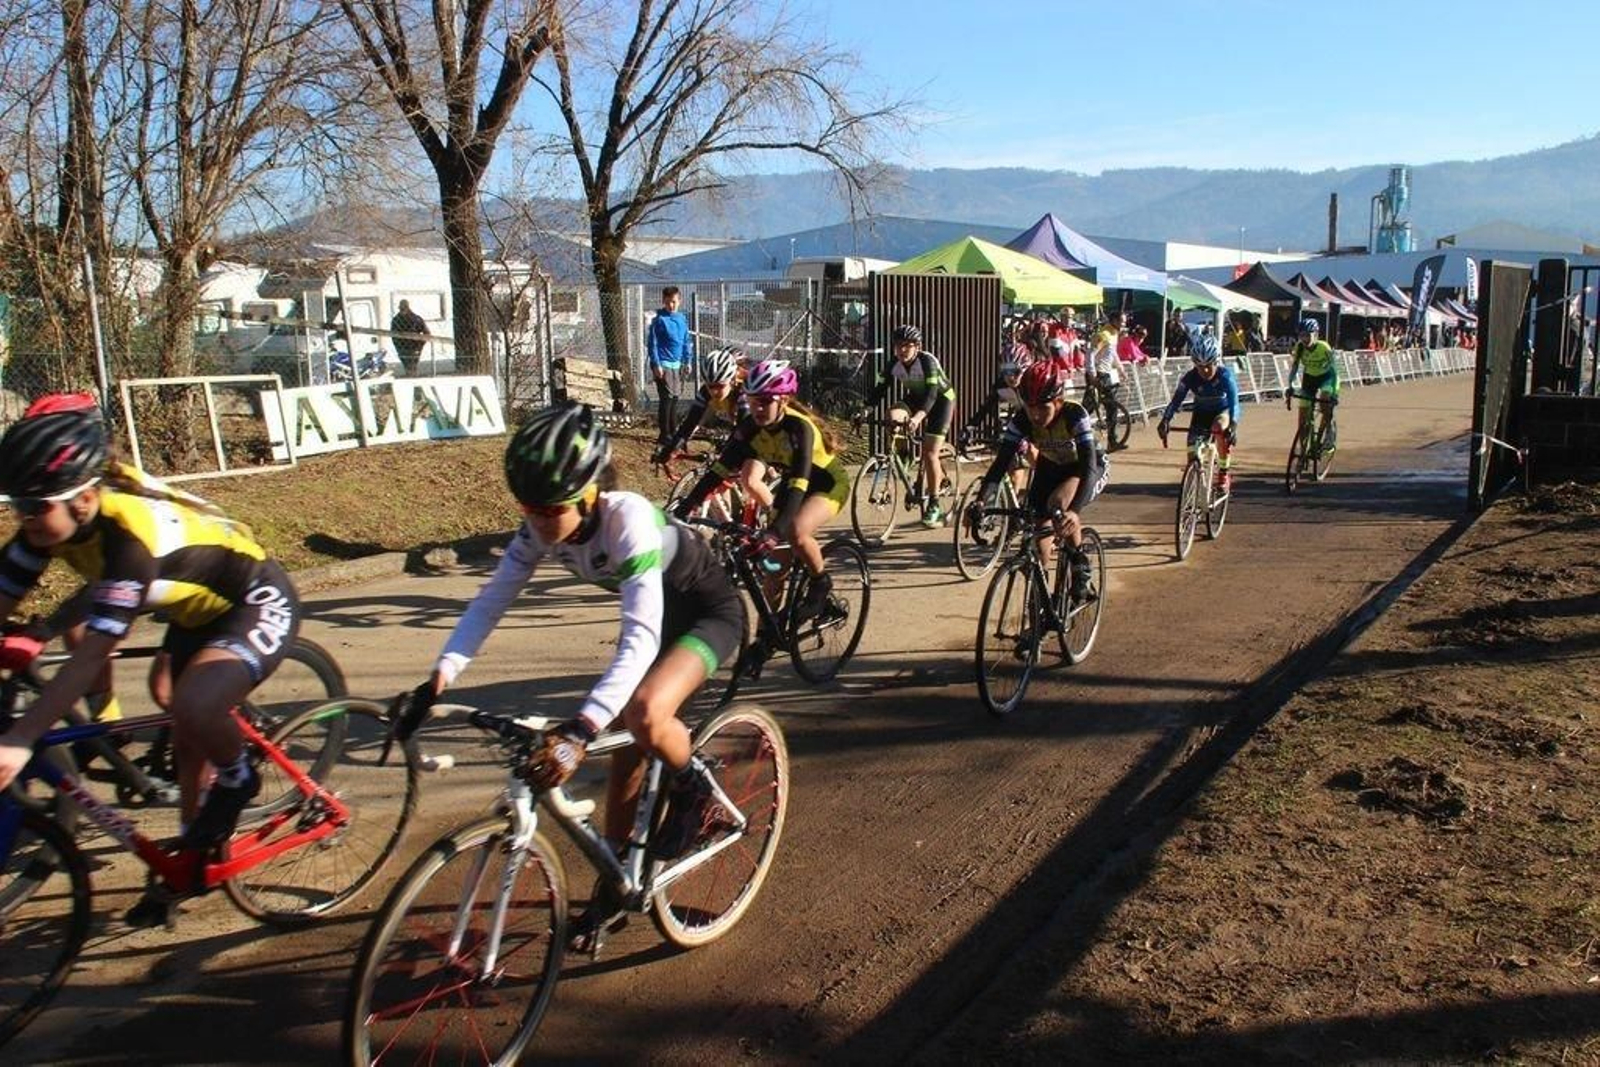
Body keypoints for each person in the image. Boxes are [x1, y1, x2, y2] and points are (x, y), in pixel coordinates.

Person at [391, 402, 745, 952]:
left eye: (547, 510)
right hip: (656, 622)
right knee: (625, 759)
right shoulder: (538, 529)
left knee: (645, 713)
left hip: (706, 615)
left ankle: (696, 788)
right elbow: (489, 604)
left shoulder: (625, 520)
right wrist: (437, 680)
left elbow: (640, 639)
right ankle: (615, 882)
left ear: (588, 495)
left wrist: (581, 727)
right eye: (527, 509)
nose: (535, 523)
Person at [0, 394, 302, 925]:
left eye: (33, 507)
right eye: (16, 508)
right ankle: (189, 859)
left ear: (83, 498)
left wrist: (22, 738)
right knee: (183, 735)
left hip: (253, 599)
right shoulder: (50, 521)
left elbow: (92, 652)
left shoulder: (129, 541)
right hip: (193, 611)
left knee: (192, 706)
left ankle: (240, 776)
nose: (23, 519)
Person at [674, 359, 850, 623]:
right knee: (774, 571)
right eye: (753, 400)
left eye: (765, 401)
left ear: (784, 401)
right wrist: (685, 507)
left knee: (795, 532)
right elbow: (718, 472)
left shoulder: (799, 428)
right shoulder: (750, 429)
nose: (757, 407)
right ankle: (769, 630)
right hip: (793, 486)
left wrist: (774, 532)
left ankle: (820, 583)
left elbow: (800, 482)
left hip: (826, 485)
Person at [975, 360, 1106, 602]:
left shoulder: (1074, 414)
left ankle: (1080, 563)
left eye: (1042, 408)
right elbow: (1000, 465)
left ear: (1058, 401)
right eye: (1029, 406)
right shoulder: (1023, 419)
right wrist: (980, 501)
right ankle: (1042, 602)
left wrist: (1075, 511)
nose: (1035, 414)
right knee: (1038, 530)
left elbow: (1088, 464)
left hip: (1085, 468)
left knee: (1058, 504)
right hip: (1051, 466)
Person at [865, 324, 957, 527]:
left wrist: (917, 418)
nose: (902, 350)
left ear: (917, 347)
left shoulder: (927, 361)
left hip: (941, 401)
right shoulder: (893, 364)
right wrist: (865, 410)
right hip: (916, 398)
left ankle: (934, 505)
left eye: (907, 346)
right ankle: (904, 455)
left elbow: (932, 394)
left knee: (930, 453)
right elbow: (880, 389)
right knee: (892, 415)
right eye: (898, 346)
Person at [1157, 334, 1241, 493]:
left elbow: (1234, 404)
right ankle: (1198, 483)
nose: (1205, 370)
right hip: (1201, 415)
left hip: (1221, 412)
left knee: (1218, 427)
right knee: (1192, 453)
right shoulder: (1190, 377)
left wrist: (1233, 426)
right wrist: (1165, 420)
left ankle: (1224, 472)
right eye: (1199, 366)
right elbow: (1176, 401)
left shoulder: (1225, 376)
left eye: (1209, 365)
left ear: (1216, 361)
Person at [651, 346, 747, 466]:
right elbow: (690, 423)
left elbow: (745, 427)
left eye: (720, 386)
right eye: (710, 386)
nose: (714, 392)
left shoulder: (745, 389)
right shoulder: (705, 392)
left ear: (732, 379)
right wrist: (670, 450)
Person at [647, 286, 694, 448]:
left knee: (674, 399)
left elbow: (686, 341)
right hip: (663, 364)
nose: (671, 306)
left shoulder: (681, 319)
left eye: (673, 302)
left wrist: (688, 361)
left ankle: (673, 433)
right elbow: (652, 344)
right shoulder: (659, 320)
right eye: (667, 303)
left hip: (677, 364)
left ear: (679, 301)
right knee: (666, 400)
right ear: (663, 302)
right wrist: (656, 364)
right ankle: (664, 434)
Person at [1285, 317, 1340, 447]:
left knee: (1324, 401)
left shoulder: (1324, 347)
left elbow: (1334, 371)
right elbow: (1295, 367)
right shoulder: (1299, 347)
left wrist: (1334, 393)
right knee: (1302, 419)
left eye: (1307, 335)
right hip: (1309, 379)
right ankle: (1302, 453)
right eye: (1301, 336)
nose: (1304, 339)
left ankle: (1328, 430)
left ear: (1315, 334)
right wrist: (1290, 386)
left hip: (1326, 378)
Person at [1086, 320, 1128, 451]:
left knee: (1112, 407)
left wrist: (1121, 369)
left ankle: (1112, 441)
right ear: (1114, 320)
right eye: (1121, 321)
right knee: (1088, 408)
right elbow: (1090, 354)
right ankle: (1073, 436)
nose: (1123, 324)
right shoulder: (1103, 334)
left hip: (1106, 374)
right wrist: (1092, 374)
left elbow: (1113, 354)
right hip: (1097, 373)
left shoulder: (1114, 335)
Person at [389, 299, 430, 376]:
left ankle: (414, 380)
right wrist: (398, 346)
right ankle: (412, 379)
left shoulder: (416, 319)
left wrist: (419, 345)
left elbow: (427, 333)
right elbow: (393, 335)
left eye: (404, 308)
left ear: (408, 308)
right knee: (408, 367)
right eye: (401, 308)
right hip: (402, 348)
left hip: (413, 347)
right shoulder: (396, 320)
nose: (402, 310)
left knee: (412, 366)